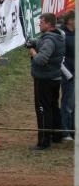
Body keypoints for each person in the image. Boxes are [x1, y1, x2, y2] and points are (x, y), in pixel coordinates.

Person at [30, 12, 66, 150]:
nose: (39, 24)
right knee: (53, 107)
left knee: (43, 110)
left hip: (44, 79)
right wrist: (36, 43)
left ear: (49, 24)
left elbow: (41, 60)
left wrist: (33, 52)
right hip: (54, 77)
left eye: (42, 22)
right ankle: (56, 136)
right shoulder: (58, 36)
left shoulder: (49, 40)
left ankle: (44, 141)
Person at [62, 11, 75, 141]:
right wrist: (68, 75)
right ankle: (65, 131)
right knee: (68, 103)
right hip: (69, 75)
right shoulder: (63, 36)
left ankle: (73, 129)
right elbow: (61, 59)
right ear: (70, 21)